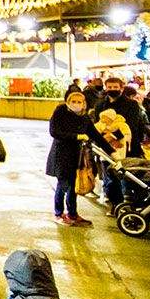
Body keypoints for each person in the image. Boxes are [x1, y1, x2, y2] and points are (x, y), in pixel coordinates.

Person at [46, 89, 95, 227]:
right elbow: (54, 132)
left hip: (76, 156)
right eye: (73, 101)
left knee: (73, 186)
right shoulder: (60, 112)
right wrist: (76, 136)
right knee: (63, 184)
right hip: (60, 155)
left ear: (84, 103)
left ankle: (72, 213)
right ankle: (59, 213)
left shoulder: (84, 117)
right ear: (67, 102)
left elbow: (95, 134)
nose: (76, 104)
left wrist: (112, 152)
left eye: (79, 102)